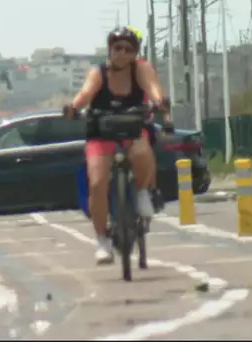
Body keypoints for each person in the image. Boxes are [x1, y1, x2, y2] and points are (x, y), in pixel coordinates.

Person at [63, 26, 171, 264]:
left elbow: (154, 90)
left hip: (132, 127)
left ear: (135, 53)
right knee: (98, 182)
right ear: (110, 49)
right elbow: (85, 93)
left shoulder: (140, 69)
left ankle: (142, 191)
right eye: (117, 47)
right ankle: (102, 240)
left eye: (128, 49)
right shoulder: (99, 72)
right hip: (101, 131)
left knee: (143, 152)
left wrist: (160, 104)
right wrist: (74, 107)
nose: (122, 53)